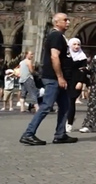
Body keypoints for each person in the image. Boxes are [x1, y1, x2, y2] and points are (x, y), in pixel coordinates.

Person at [20, 13, 75, 146]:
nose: (68, 22)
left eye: (68, 20)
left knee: (65, 106)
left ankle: (60, 134)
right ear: (57, 22)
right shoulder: (56, 36)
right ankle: (28, 134)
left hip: (58, 78)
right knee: (46, 106)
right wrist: (60, 77)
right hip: (54, 78)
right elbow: (54, 57)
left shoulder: (60, 36)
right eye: (65, 20)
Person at [64, 37, 89, 133]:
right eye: (74, 44)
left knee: (71, 102)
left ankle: (69, 123)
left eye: (78, 44)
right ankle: (65, 120)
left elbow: (83, 71)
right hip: (66, 80)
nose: (76, 46)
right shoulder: (66, 55)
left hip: (76, 81)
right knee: (64, 102)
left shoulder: (82, 57)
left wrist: (80, 81)